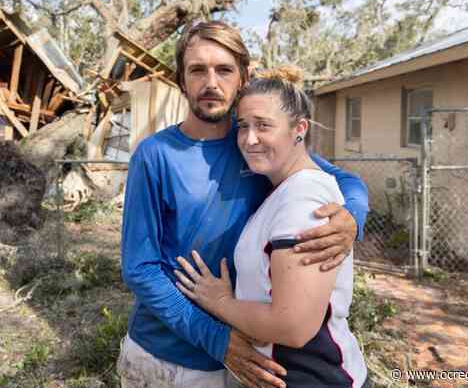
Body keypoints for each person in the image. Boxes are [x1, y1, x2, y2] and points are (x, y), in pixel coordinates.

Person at [118, 21, 369, 388]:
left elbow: (346, 182)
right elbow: (140, 269)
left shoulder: (260, 147)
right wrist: (215, 338)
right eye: (197, 70)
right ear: (180, 80)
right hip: (166, 357)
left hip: (245, 353)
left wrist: (350, 220)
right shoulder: (155, 155)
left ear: (243, 76)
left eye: (224, 69)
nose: (211, 82)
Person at [175, 65, 368, 387]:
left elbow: (293, 326)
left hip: (312, 377)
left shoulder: (303, 202)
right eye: (242, 126)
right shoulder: (283, 186)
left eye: (263, 125)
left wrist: (220, 303)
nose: (249, 139)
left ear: (299, 129)